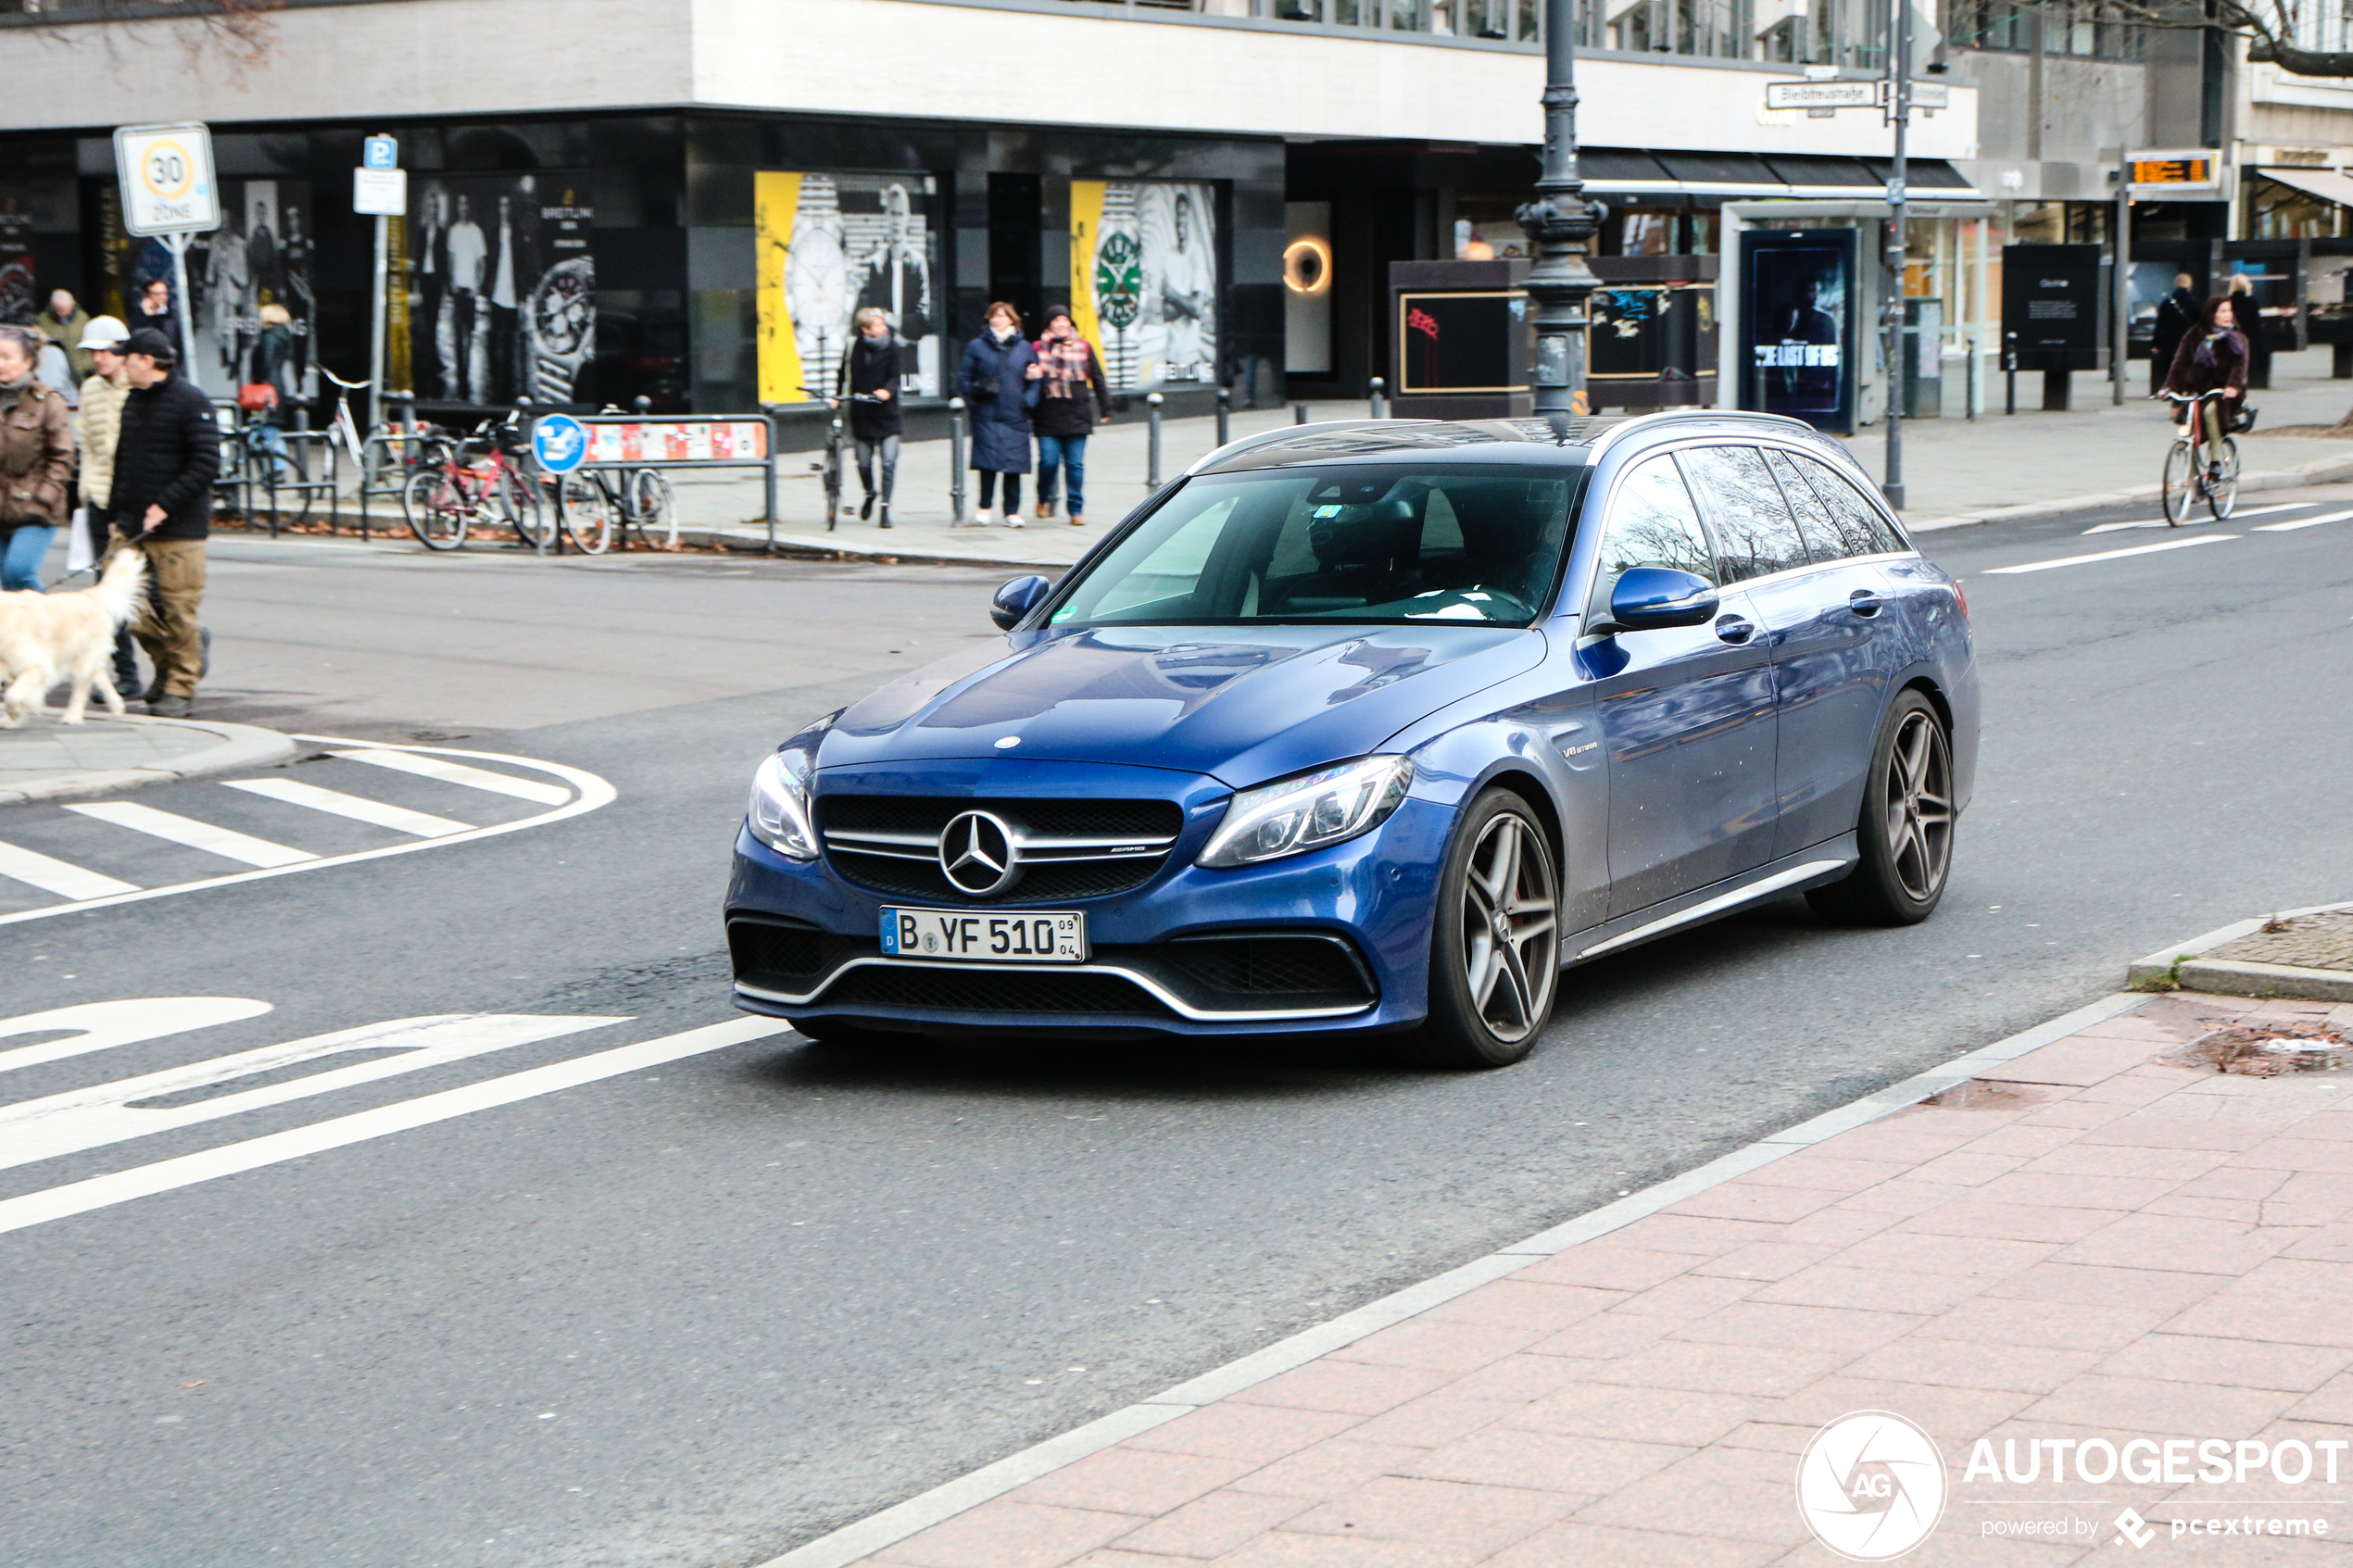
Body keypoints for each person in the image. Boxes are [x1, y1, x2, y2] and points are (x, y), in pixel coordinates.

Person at [107, 327, 219, 717]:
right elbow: (123, 461)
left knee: (177, 609)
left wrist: (165, 506)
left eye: (127, 357)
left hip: (179, 529)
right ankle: (167, 665)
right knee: (124, 606)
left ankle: (181, 688)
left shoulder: (191, 401)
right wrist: (116, 514)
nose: (121, 363)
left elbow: (206, 463)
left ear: (147, 361)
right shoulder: (133, 401)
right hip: (131, 525)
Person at [74, 317, 141, 694]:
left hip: (136, 500)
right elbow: (89, 446)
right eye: (93, 352)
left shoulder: (138, 386)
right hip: (100, 498)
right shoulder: (89, 390)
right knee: (106, 592)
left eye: (105, 350)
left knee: (151, 591)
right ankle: (125, 674)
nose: (98, 358)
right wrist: (87, 493)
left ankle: (192, 640)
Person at [0, 324, 75, 593]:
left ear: (28, 362)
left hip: (35, 507)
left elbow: (63, 456)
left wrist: (43, 498)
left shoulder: (47, 402)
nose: (1, 364)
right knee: (8, 586)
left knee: (17, 572)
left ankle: (51, 628)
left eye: (7, 357)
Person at [1025, 305, 1113, 527]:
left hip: (1077, 414)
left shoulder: (1083, 347)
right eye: (1056, 321)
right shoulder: (1037, 347)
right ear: (1049, 325)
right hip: (1047, 415)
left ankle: (1076, 509)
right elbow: (1026, 377)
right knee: (1048, 462)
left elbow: (1098, 378)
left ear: (1071, 325)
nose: (1061, 325)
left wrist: (1106, 407)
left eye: (1065, 321)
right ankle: (1043, 498)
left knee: (1075, 466)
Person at [958, 301, 1038, 528]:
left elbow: (1035, 377)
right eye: (994, 316)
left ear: (1012, 320)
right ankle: (984, 508)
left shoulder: (1024, 347)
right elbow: (964, 378)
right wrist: (973, 403)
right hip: (986, 414)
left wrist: (1028, 401)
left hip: (1015, 414)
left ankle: (1012, 512)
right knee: (988, 464)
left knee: (1013, 465)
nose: (997, 320)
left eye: (1002, 316)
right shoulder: (977, 346)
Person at [2159, 295, 2247, 478]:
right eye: (2222, 311)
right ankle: (2191, 481)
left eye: (2229, 311)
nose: (2227, 315)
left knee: (2210, 412)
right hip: (2199, 390)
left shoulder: (2237, 339)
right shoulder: (2195, 335)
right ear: (2211, 314)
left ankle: (2215, 461)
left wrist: (2232, 386)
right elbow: (2180, 362)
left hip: (2224, 393)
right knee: (2190, 427)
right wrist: (2168, 386)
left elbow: (2240, 366)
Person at [833, 306, 904, 529]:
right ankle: (870, 492)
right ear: (866, 329)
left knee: (888, 462)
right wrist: (837, 396)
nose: (884, 328)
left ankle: (885, 508)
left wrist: (887, 391)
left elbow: (895, 376)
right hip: (862, 412)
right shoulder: (854, 346)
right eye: (878, 325)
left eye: (883, 324)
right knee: (863, 463)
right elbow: (843, 373)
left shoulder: (892, 347)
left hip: (887, 413)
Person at [2149, 273, 2199, 398]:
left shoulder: (2167, 303)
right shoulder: (2194, 303)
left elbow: (2159, 325)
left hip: (2169, 343)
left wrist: (2155, 344)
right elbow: (2200, 324)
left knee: (2171, 369)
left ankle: (2173, 395)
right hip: (2188, 342)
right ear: (2189, 285)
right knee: (2187, 368)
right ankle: (2186, 394)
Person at [37, 289, 93, 383]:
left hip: (81, 372)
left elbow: (91, 343)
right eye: (60, 310)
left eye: (68, 309)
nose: (65, 314)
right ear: (53, 307)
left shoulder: (83, 318)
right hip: (56, 372)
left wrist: (86, 365)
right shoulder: (42, 320)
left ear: (73, 303)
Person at [132, 276, 181, 360]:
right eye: (157, 294)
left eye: (164, 293)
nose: (162, 297)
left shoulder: (173, 317)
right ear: (147, 295)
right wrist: (147, 314)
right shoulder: (139, 318)